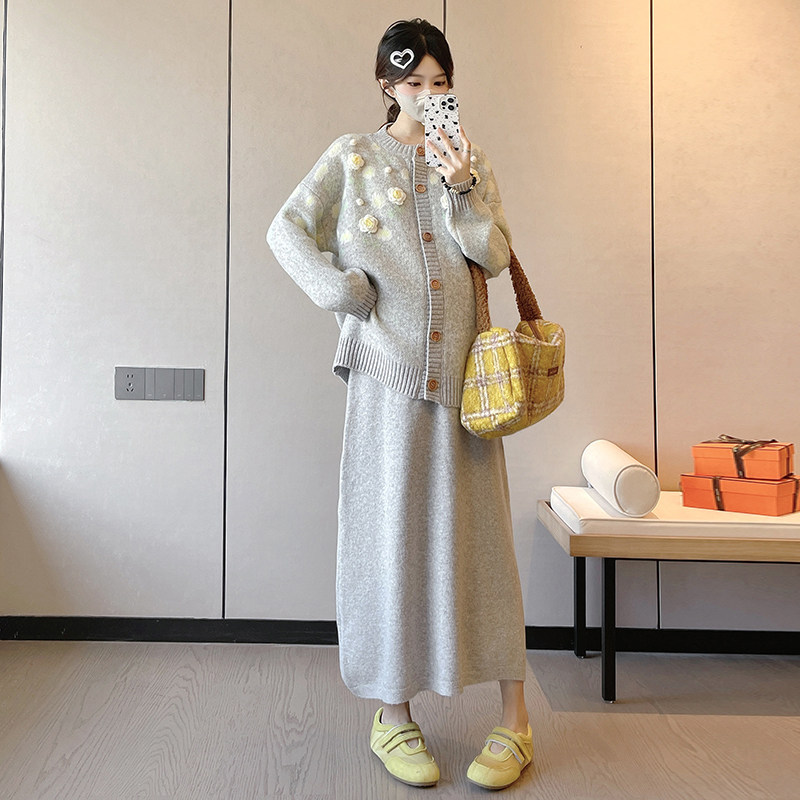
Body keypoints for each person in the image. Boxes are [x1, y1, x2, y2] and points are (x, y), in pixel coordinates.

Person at [267, 18, 533, 791]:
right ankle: (393, 714)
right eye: (414, 82)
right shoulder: (351, 155)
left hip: (467, 385)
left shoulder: (468, 159)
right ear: (387, 84)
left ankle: (516, 721)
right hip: (387, 380)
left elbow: (494, 254)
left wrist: (462, 186)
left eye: (441, 82)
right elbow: (286, 230)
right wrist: (340, 291)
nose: (428, 94)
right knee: (391, 540)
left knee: (483, 545)